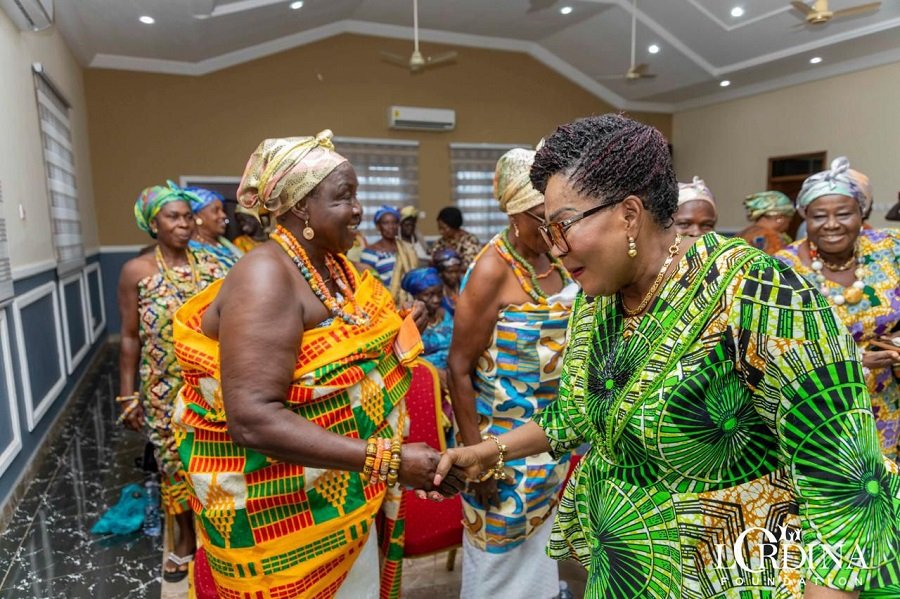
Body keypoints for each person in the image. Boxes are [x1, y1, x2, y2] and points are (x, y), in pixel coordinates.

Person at [433, 115, 900, 599]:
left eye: (563, 226)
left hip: (738, 572)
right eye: (547, 231)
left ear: (630, 214)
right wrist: (489, 451)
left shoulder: (755, 291)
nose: (554, 249)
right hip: (629, 569)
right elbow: (577, 414)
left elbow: (844, 480)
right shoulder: (597, 298)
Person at [171, 131, 463, 598]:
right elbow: (252, 419)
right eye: (344, 197)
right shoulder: (265, 276)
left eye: (357, 195)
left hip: (342, 503)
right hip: (280, 518)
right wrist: (387, 460)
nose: (358, 209)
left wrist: (406, 333)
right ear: (301, 206)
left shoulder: (337, 270)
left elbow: (350, 353)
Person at [448, 148, 576, 599]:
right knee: (497, 562)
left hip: (548, 442)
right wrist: (477, 457)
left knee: (540, 554)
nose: (551, 229)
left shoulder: (559, 259)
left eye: (558, 216)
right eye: (538, 218)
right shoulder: (490, 270)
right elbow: (458, 369)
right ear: (512, 213)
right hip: (497, 445)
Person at [117, 182, 224, 582]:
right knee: (173, 464)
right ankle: (182, 537)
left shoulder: (214, 265)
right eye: (173, 217)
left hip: (211, 383)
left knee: (212, 461)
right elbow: (129, 336)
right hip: (162, 387)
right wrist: (128, 394)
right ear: (152, 224)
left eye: (187, 216)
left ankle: (218, 534)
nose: (184, 224)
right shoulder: (137, 272)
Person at [775, 156, 900, 460]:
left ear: (862, 213)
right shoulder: (781, 268)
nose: (832, 225)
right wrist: (856, 360)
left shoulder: (890, 248)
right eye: (818, 216)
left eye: (844, 213)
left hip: (887, 403)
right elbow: (774, 346)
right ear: (805, 218)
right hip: (820, 409)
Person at [401, 267, 455, 437]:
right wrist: (433, 372)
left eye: (439, 293)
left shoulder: (446, 314)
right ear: (415, 296)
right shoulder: (408, 319)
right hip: (425, 383)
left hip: (453, 380)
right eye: (428, 295)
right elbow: (404, 355)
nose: (436, 299)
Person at [359, 205, 419, 306]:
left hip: (410, 302)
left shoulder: (406, 248)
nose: (391, 227)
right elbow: (368, 283)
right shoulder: (370, 252)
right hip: (384, 304)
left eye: (394, 222)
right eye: (386, 223)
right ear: (378, 226)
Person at [186, 186, 243, 269]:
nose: (223, 215)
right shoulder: (190, 250)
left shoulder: (224, 244)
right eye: (216, 210)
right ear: (196, 216)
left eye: (222, 211)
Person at [738, 190, 796, 255]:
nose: (788, 225)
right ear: (780, 218)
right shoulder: (772, 237)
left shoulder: (742, 234)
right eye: (789, 220)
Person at [432, 247, 463, 315]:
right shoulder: (435, 291)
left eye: (457, 271)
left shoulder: (464, 285)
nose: (454, 275)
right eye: (450, 272)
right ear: (440, 273)